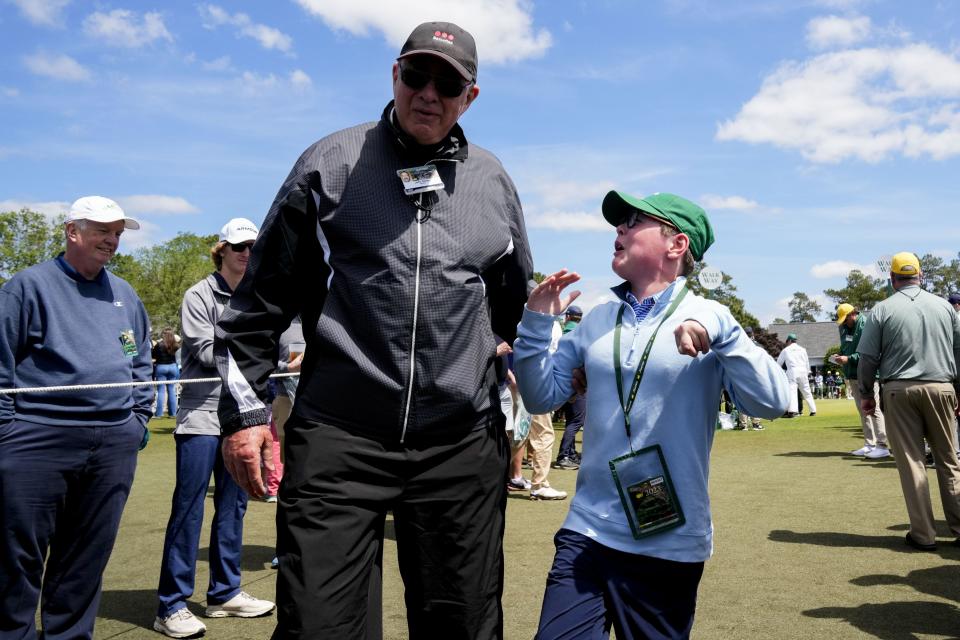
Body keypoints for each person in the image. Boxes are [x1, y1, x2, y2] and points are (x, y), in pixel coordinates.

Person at [214, 21, 533, 639]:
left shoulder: (492, 182)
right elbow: (258, 304)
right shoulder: (330, 162)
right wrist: (247, 418)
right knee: (319, 627)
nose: (429, 93)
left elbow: (511, 300)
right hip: (342, 434)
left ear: (470, 97)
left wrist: (483, 363)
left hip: (458, 443)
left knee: (464, 625)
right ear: (395, 75)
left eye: (449, 83)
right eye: (418, 75)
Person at [514, 190, 790, 639]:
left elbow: (774, 402)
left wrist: (720, 330)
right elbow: (542, 396)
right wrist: (535, 325)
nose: (618, 229)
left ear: (676, 245)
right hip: (588, 527)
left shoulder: (710, 316)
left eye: (633, 221)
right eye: (619, 223)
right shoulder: (598, 320)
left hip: (668, 540)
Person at [0, 196, 152, 639]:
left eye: (119, 233)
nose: (113, 240)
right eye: (104, 230)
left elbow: (138, 356)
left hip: (112, 442)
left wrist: (138, 418)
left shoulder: (123, 293)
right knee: (18, 559)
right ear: (73, 232)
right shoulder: (26, 287)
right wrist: (8, 431)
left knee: (86, 557)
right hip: (36, 437)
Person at [154, 218, 275, 638]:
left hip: (243, 415)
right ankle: (170, 603)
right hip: (202, 415)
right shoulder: (198, 294)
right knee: (188, 509)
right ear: (221, 250)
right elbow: (206, 350)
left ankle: (224, 592)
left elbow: (272, 346)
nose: (246, 253)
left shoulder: (259, 295)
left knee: (233, 507)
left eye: (252, 247)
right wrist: (261, 354)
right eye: (238, 246)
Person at [857, 251, 960, 551]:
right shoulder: (945, 307)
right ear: (921, 275)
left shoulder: (881, 310)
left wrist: (866, 395)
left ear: (892, 278)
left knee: (913, 462)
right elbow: (959, 351)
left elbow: (867, 358)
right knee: (949, 460)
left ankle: (924, 535)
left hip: (898, 390)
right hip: (942, 386)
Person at [834, 303, 889, 459]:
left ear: (853, 314)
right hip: (852, 374)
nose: (844, 323)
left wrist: (849, 358)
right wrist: (841, 355)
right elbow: (847, 347)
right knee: (863, 411)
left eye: (846, 319)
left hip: (868, 373)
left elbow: (869, 352)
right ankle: (869, 444)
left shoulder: (866, 325)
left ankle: (882, 445)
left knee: (873, 409)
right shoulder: (844, 328)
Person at [555, 306, 586, 469]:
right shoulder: (580, 333)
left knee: (571, 420)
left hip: (562, 382)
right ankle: (564, 455)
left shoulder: (563, 332)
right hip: (576, 384)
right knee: (576, 421)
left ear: (568, 316)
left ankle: (571, 453)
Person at [777, 333, 816, 417]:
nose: (787, 343)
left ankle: (792, 411)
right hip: (803, 371)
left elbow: (778, 363)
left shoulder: (786, 350)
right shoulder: (803, 349)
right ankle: (813, 410)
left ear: (790, 340)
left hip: (792, 371)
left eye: (787, 341)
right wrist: (808, 372)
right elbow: (807, 363)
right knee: (807, 391)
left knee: (792, 391)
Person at [153, 326, 181, 418]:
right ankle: (173, 413)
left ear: (163, 335)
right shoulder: (176, 345)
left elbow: (153, 356)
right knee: (171, 390)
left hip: (161, 367)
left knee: (161, 391)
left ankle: (159, 414)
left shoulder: (159, 345)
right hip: (173, 367)